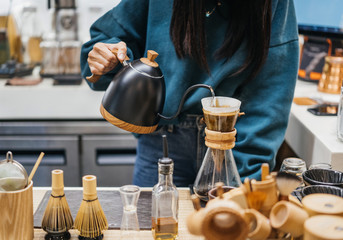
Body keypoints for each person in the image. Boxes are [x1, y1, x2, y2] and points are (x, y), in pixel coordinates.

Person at [81, 0, 299, 187]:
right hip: (163, 143)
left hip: (234, 146)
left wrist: (247, 174)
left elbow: (271, 91)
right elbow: (105, 39)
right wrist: (108, 57)